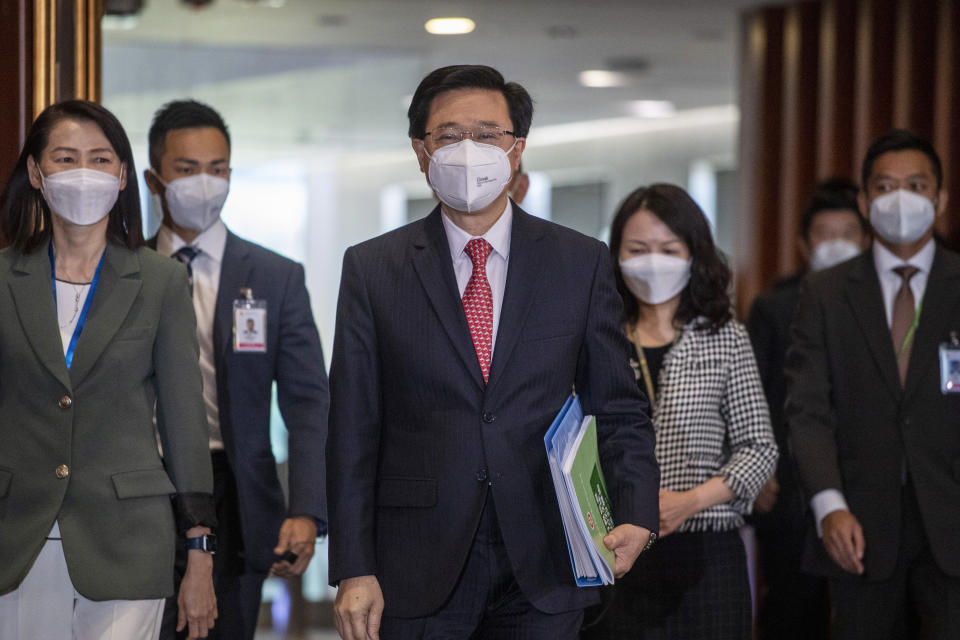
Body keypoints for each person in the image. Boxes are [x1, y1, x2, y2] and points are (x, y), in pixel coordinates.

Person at [327, 64, 660, 640]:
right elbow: (352, 428)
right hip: (417, 559)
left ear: (517, 149)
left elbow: (619, 405)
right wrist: (353, 566)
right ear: (420, 150)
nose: (468, 151)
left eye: (487, 135)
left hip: (549, 554)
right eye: (449, 136)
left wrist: (637, 511)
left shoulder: (578, 262)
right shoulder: (373, 268)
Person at [0, 100, 217, 639]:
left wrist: (200, 553)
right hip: (17, 534)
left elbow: (184, 423)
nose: (83, 174)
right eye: (65, 158)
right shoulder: (4, 277)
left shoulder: (160, 280)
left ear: (122, 175)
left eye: (99, 159)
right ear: (35, 172)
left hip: (129, 539)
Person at [144, 100, 330, 640]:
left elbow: (308, 402)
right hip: (145, 485)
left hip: (239, 494)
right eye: (187, 169)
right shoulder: (126, 269)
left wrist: (307, 509)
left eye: (218, 169)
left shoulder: (275, 276)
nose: (205, 182)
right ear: (156, 178)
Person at [582, 183, 778, 639]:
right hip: (614, 548)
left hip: (705, 553)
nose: (653, 261)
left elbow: (760, 449)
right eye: (638, 249)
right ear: (616, 256)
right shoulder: (598, 337)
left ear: (694, 255)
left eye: (669, 249)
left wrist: (689, 502)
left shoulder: (725, 337)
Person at [786, 129, 960, 638]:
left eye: (916, 184)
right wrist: (829, 504)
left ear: (940, 198)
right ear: (864, 202)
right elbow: (808, 408)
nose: (900, 198)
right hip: (857, 523)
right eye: (885, 187)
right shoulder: (826, 292)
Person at [746, 177, 870, 639]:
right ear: (803, 243)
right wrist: (761, 471)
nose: (836, 245)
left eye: (848, 234)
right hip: (789, 491)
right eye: (824, 234)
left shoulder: (885, 305)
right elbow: (754, 394)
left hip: (865, 483)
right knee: (793, 611)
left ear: (866, 236)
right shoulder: (775, 306)